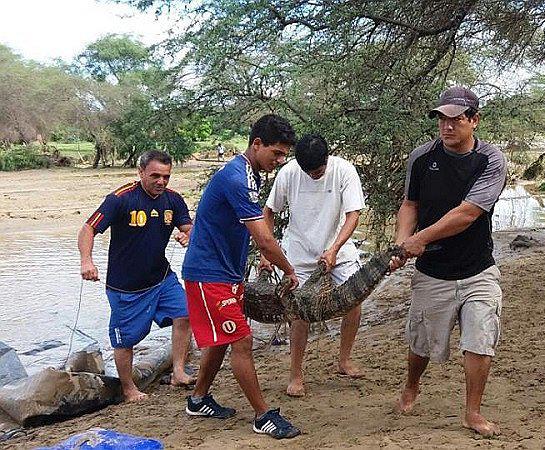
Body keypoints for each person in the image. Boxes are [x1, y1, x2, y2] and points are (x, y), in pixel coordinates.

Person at [389, 86, 507, 437]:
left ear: (474, 120)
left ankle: (472, 412)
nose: (447, 126)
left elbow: (467, 213)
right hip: (432, 274)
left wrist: (420, 239)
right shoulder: (421, 158)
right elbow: (410, 205)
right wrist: (400, 245)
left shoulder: (491, 160)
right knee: (421, 343)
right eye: (442, 119)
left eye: (456, 119)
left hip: (478, 269)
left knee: (480, 339)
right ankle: (412, 386)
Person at [181, 114, 302, 439]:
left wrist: (261, 261)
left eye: (283, 155)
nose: (279, 161)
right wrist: (288, 269)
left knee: (224, 338)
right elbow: (263, 238)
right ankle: (262, 416)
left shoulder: (251, 174)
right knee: (242, 340)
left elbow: (252, 229)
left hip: (226, 272)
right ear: (257, 144)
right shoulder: (237, 178)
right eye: (276, 153)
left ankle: (198, 398)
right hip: (208, 274)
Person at [78, 150, 195, 403]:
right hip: (125, 287)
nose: (161, 182)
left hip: (162, 278)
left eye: (166, 176)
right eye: (155, 176)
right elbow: (88, 228)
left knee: (185, 313)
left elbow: (191, 228)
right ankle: (129, 388)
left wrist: (189, 236)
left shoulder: (173, 201)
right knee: (124, 340)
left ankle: (178, 371)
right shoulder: (120, 199)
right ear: (140, 172)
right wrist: (87, 260)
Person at [262, 134, 366, 397]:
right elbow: (269, 210)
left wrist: (333, 249)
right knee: (299, 312)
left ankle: (344, 360)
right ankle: (296, 375)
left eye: (318, 171)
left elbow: (353, 214)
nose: (313, 176)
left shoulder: (344, 170)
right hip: (298, 250)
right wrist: (266, 250)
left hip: (338, 248)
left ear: (327, 160)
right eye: (308, 172)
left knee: (353, 302)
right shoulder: (288, 173)